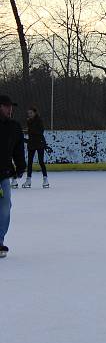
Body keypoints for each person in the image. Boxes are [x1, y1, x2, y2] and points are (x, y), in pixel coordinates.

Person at [0, 94, 26, 258]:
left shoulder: (14, 126)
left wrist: (20, 165)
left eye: (11, 106)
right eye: (7, 106)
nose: (10, 109)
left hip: (3, 174)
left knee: (4, 207)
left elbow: (17, 148)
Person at [23, 107, 49, 189]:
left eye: (31, 113)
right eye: (28, 113)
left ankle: (45, 179)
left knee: (41, 161)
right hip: (31, 143)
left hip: (39, 143)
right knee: (30, 162)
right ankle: (28, 179)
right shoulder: (29, 121)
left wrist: (30, 130)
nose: (29, 114)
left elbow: (40, 132)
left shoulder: (39, 120)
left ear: (35, 113)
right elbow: (31, 132)